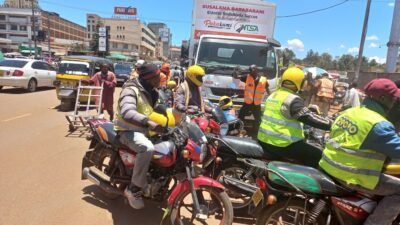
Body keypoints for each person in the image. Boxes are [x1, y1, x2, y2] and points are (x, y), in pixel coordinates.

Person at [319, 78, 400, 225]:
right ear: (382, 98)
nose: (394, 101)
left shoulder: (349, 112)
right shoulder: (378, 125)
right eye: (393, 98)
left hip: (328, 166)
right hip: (350, 175)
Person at [258, 67, 331, 168]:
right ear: (299, 82)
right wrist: (331, 124)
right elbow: (308, 117)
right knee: (317, 154)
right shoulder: (292, 99)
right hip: (282, 144)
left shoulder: (273, 95)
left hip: (264, 140)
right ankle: (302, 181)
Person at [114, 63, 164, 209]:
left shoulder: (152, 91)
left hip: (144, 130)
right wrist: (148, 122)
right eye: (157, 76)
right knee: (147, 148)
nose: (160, 78)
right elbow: (127, 112)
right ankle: (133, 188)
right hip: (127, 131)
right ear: (149, 78)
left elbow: (160, 108)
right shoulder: (131, 89)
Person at [236, 64, 270, 136]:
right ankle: (238, 130)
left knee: (257, 119)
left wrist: (271, 96)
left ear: (256, 70)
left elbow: (268, 89)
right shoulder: (247, 77)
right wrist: (236, 72)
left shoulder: (263, 80)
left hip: (256, 104)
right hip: (247, 103)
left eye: (251, 70)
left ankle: (256, 133)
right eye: (250, 70)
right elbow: (237, 77)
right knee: (240, 116)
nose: (250, 71)